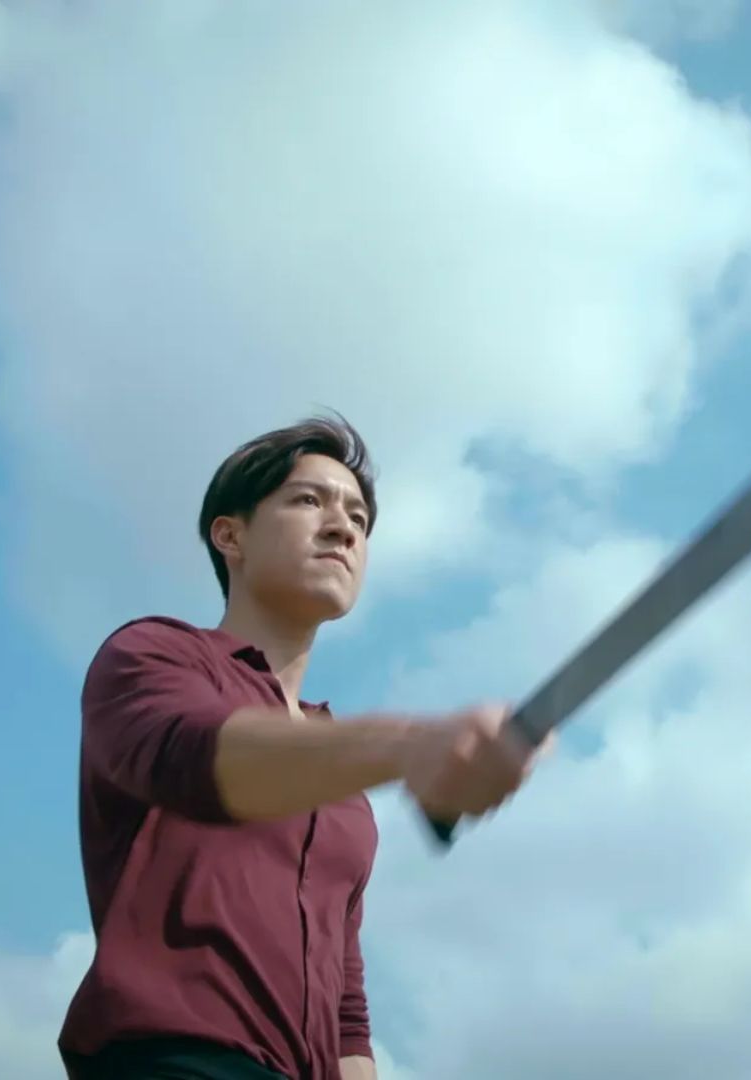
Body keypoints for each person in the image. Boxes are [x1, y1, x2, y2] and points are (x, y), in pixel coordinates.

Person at [58, 414, 547, 1080]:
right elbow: (197, 756)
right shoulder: (151, 654)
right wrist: (408, 746)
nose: (344, 528)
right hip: (172, 1062)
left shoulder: (344, 789)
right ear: (230, 535)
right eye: (309, 500)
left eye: (359, 519)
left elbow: (347, 1007)